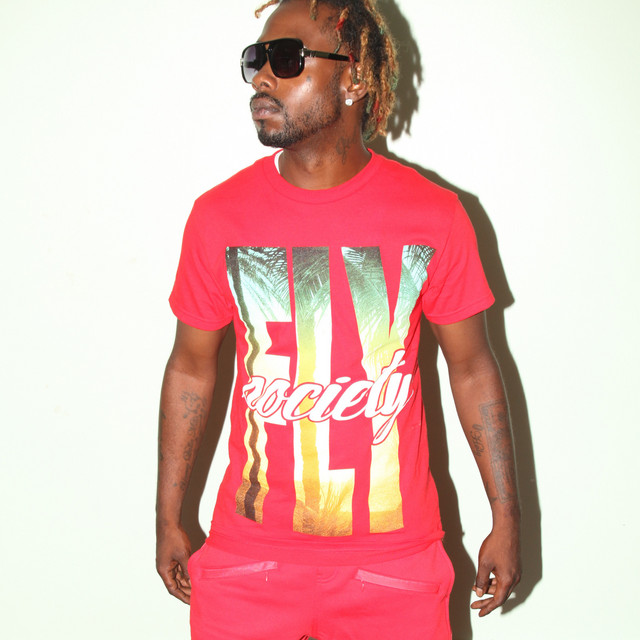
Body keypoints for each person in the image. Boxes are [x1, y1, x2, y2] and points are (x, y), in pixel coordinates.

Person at [156, 0, 521, 638]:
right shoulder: (218, 217)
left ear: (353, 77)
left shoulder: (433, 216)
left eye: (286, 58)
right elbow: (190, 368)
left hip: (394, 566)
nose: (261, 77)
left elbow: (471, 368)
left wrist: (507, 515)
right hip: (248, 564)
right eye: (255, 59)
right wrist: (168, 515)